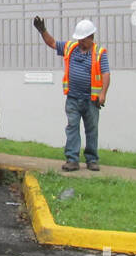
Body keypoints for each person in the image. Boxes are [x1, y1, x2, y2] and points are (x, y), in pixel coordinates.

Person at [33, 16, 111, 171]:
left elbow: (106, 74)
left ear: (91, 37)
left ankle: (92, 160)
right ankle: (72, 159)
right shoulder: (70, 48)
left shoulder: (99, 53)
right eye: (79, 38)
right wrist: (42, 31)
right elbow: (53, 43)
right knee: (72, 127)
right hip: (73, 98)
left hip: (91, 100)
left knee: (92, 129)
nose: (80, 42)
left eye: (83, 39)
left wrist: (103, 94)